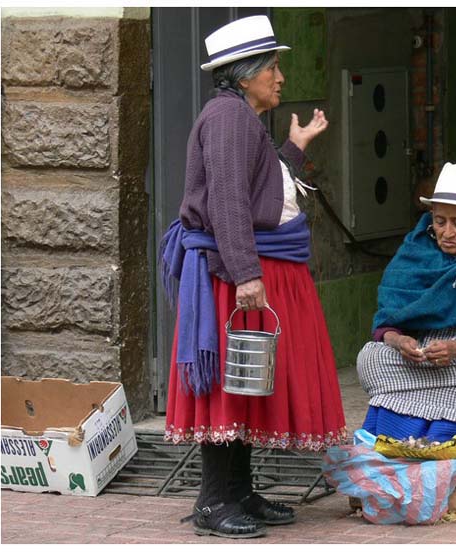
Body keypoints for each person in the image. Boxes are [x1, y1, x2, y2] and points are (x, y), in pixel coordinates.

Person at [159, 15, 347, 539]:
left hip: (243, 268)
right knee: (229, 384)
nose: (281, 77)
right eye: (273, 66)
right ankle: (214, 502)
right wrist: (245, 273)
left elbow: (261, 189)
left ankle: (238, 491)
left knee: (245, 383)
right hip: (230, 274)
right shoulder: (227, 118)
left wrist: (294, 147)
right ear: (246, 75)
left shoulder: (241, 118)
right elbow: (227, 199)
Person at [357, 162, 456, 443]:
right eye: (440, 221)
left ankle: (444, 429)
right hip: (418, 361)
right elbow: (385, 327)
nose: (448, 232)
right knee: (371, 358)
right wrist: (400, 342)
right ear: (431, 217)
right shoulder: (413, 253)